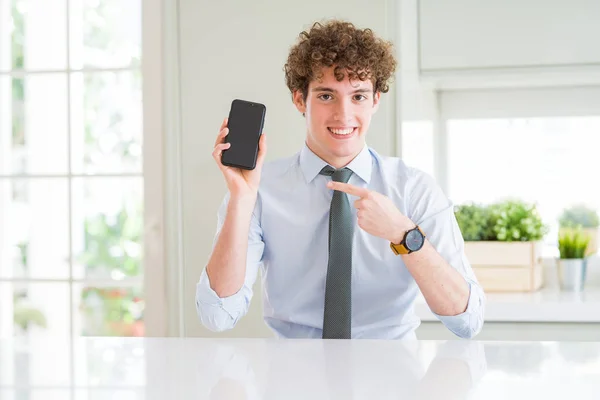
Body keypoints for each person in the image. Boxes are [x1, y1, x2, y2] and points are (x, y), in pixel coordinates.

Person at [196, 19, 485, 340]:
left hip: (390, 376)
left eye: (358, 96)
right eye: (325, 96)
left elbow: (467, 320)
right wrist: (241, 199)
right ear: (298, 99)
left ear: (376, 100)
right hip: (292, 378)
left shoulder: (413, 189)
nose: (343, 115)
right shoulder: (259, 190)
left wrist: (405, 236)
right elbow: (217, 315)